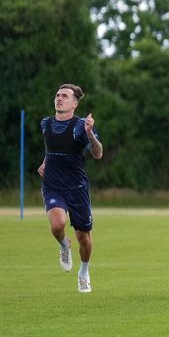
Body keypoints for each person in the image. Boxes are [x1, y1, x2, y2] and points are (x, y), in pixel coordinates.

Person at [38, 84, 104, 293]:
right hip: (53, 185)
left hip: (77, 188)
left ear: (74, 103)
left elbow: (98, 153)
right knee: (58, 225)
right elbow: (52, 149)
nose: (59, 98)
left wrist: (90, 134)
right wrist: (45, 162)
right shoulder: (45, 124)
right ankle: (64, 246)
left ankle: (84, 272)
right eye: (57, 95)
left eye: (64, 96)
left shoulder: (81, 126)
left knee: (83, 237)